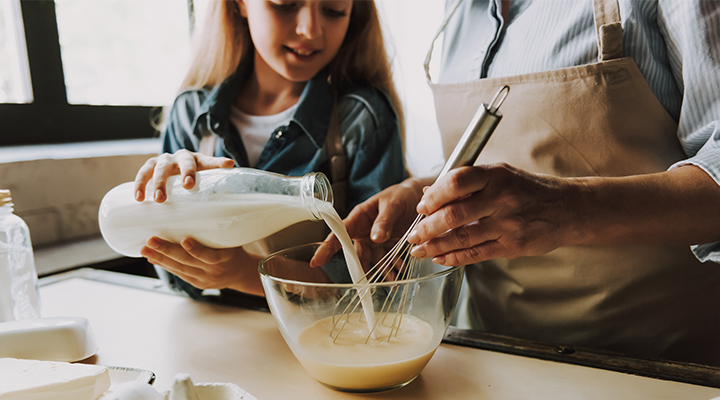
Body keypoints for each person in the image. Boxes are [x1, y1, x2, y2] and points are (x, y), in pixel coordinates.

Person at [314, 0, 720, 366]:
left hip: (655, 368)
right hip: (492, 358)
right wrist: (425, 191)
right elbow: (508, 151)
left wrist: (568, 211)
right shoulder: (458, 13)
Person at [132, 0, 406, 300]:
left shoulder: (362, 119)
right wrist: (168, 197)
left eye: (333, 9)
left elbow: (380, 282)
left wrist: (244, 273)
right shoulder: (190, 113)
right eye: (285, 4)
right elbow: (170, 271)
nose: (310, 30)